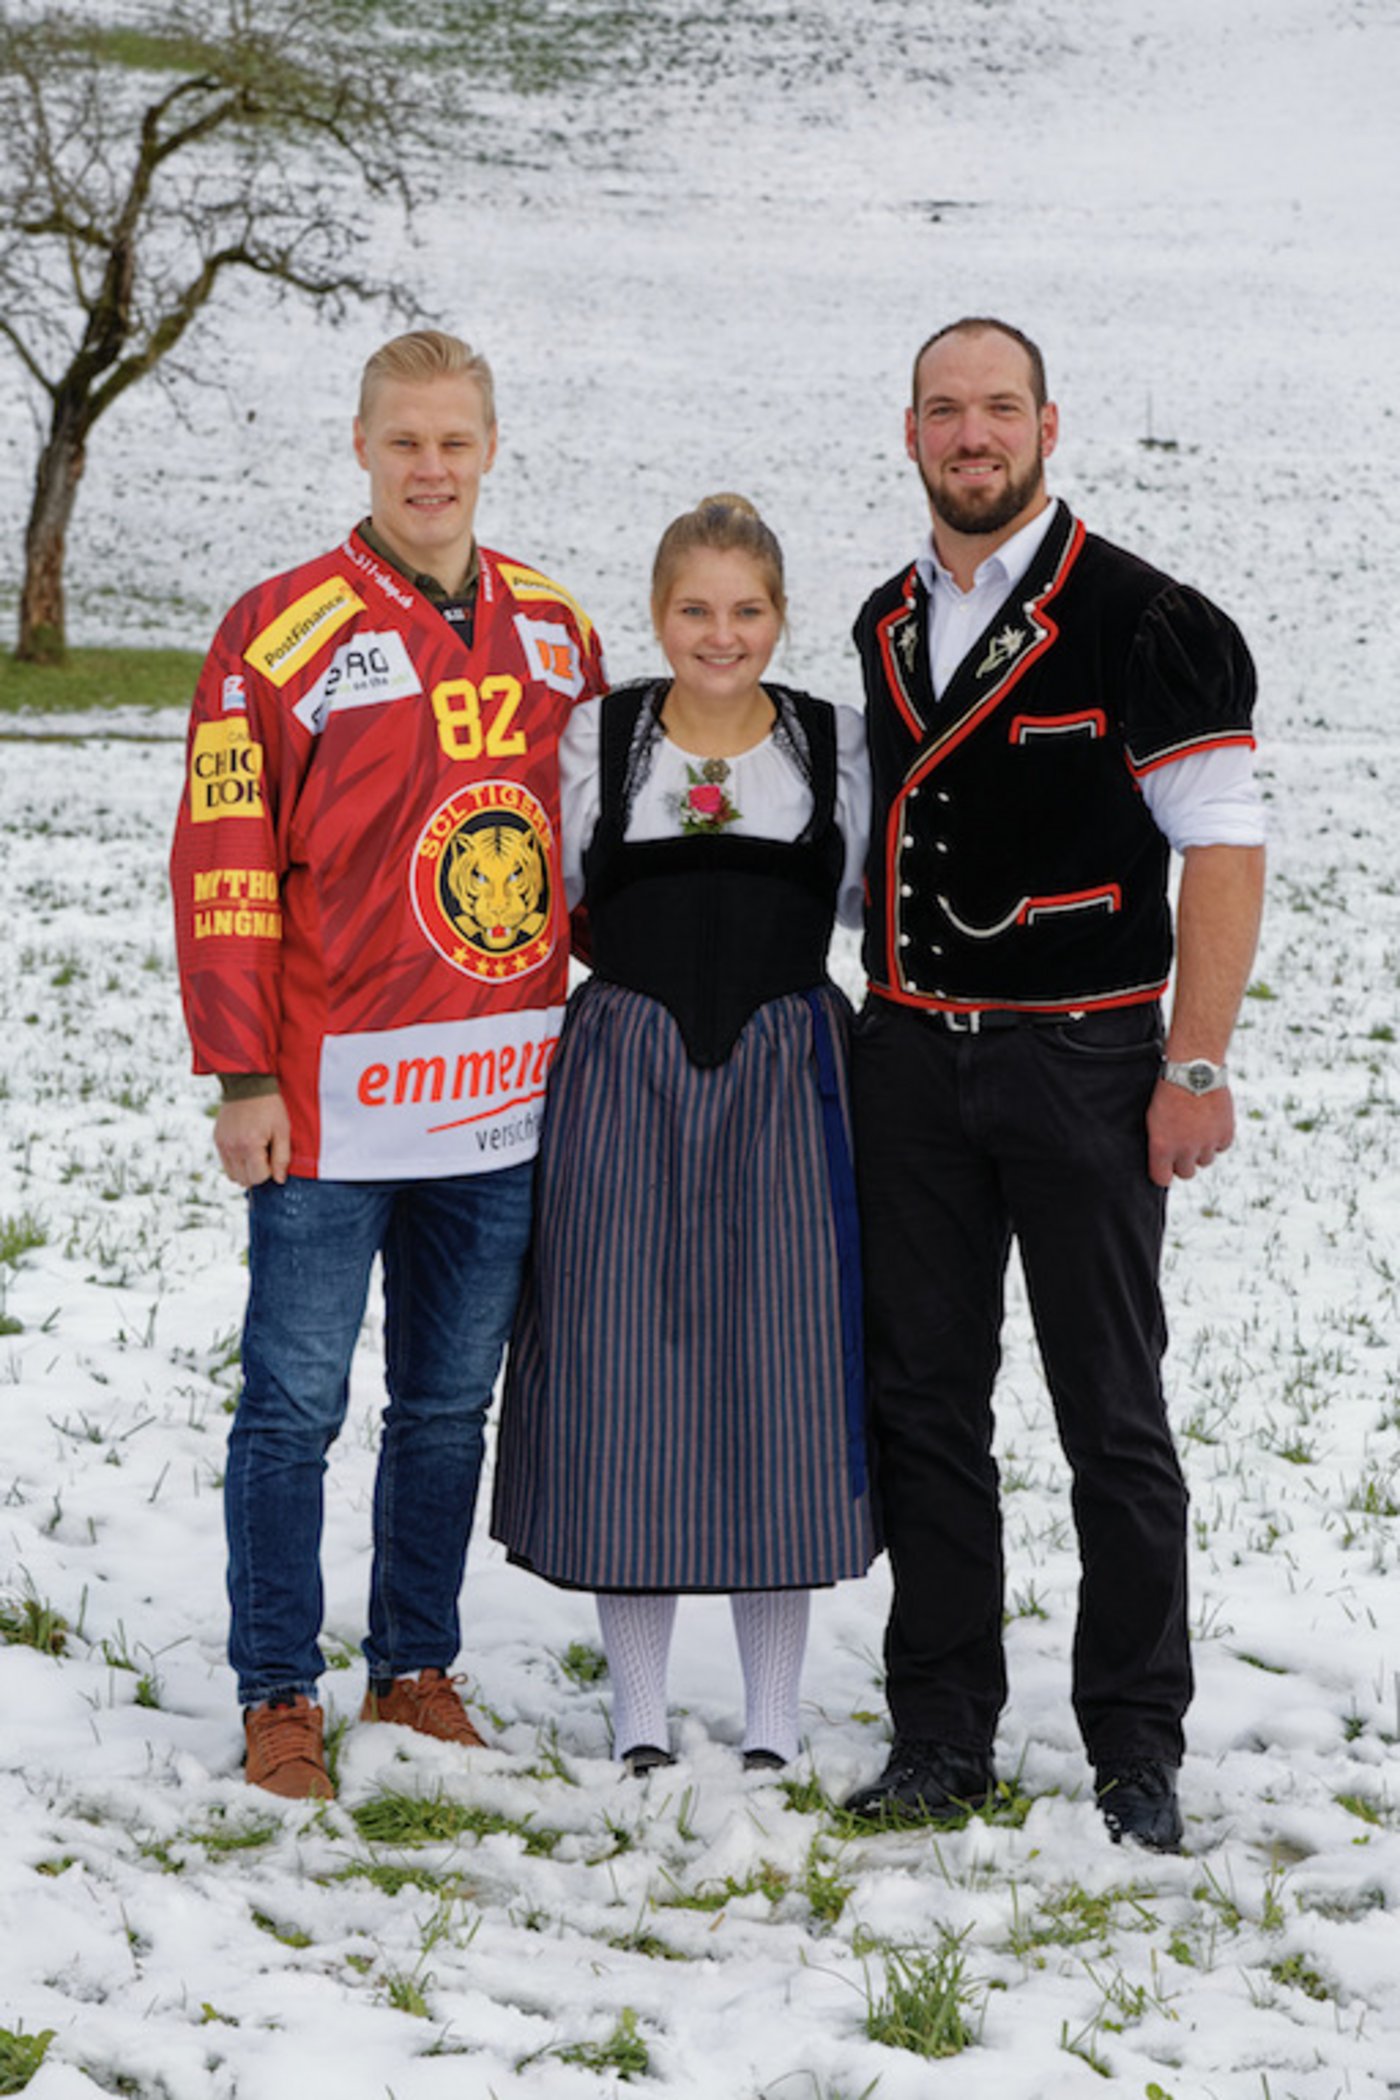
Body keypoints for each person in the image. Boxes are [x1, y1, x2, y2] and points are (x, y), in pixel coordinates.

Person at [845, 318, 1265, 1850]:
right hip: (907, 1063)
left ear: (1048, 425)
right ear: (909, 433)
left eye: (999, 409)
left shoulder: (1148, 619)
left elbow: (1222, 843)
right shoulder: (883, 622)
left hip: (1087, 1066)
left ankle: (1134, 1744)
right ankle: (943, 1731)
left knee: (1112, 1412)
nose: (974, 435)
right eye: (945, 410)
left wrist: (1194, 1062)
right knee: (923, 1409)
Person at [171, 329, 605, 1800]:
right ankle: (277, 1689)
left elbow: (595, 853)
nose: (431, 468)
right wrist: (242, 1075)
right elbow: (224, 859)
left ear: (492, 448)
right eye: (404, 441)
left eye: (456, 442)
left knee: (444, 1406)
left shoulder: (556, 628)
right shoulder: (275, 634)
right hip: (330, 1100)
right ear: (359, 444)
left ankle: (414, 1666)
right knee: (293, 1405)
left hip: (498, 1100)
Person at [491, 495, 877, 1774]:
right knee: (624, 1369)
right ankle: (640, 1710)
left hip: (786, 1069)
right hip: (625, 1071)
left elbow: (878, 911)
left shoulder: (833, 748)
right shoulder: (597, 742)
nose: (722, 634)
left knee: (785, 1367)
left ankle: (775, 1715)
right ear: (656, 616)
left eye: (747, 609)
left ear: (779, 616)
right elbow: (538, 902)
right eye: (695, 610)